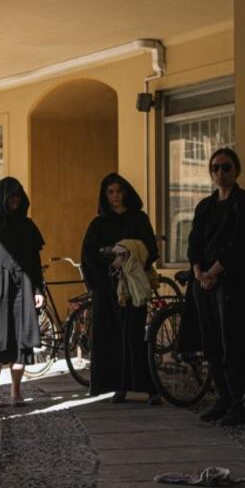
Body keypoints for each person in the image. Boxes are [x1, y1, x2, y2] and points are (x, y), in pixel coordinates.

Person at [186, 148, 245, 427]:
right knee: (211, 342)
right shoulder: (205, 206)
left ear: (236, 170)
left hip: (231, 282)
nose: (220, 173)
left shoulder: (244, 202)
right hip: (204, 283)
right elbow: (194, 242)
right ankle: (222, 397)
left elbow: (240, 243)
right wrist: (198, 271)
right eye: (216, 168)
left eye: (226, 167)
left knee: (233, 342)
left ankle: (237, 402)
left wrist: (214, 271)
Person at [81, 173, 162, 404]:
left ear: (125, 192)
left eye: (119, 191)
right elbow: (88, 254)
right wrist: (98, 282)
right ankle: (119, 386)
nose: (115, 196)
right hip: (107, 289)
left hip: (132, 289)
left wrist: (127, 257)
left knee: (134, 336)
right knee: (111, 338)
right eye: (110, 192)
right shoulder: (98, 224)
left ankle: (150, 388)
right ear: (105, 195)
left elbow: (149, 249)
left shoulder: (138, 218)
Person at [0, 177, 46, 408]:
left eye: (18, 195)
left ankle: (16, 391)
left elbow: (35, 261)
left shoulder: (28, 226)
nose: (15, 200)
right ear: (2, 197)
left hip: (23, 288)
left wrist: (38, 289)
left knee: (21, 342)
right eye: (11, 195)